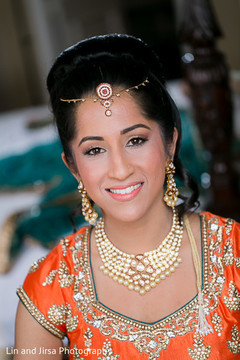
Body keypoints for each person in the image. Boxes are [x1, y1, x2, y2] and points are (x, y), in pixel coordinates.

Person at [14, 34, 240, 360]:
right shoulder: (52, 285)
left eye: (135, 140)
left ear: (170, 143)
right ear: (73, 167)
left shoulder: (232, 255)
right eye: (94, 150)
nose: (119, 170)